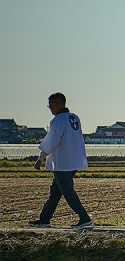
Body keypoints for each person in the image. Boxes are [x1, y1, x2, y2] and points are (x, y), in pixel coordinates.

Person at [29, 92, 92, 228]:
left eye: (50, 105)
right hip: (73, 160)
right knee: (55, 191)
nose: (50, 108)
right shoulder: (74, 118)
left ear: (56, 104)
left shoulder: (58, 120)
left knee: (67, 191)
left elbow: (51, 141)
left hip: (62, 162)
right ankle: (44, 219)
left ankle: (84, 217)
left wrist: (40, 159)